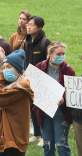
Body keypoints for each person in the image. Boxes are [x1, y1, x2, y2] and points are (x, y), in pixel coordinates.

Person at [0, 49, 34, 156]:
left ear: (18, 70)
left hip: (15, 141)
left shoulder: (20, 89)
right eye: (3, 68)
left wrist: (1, 80)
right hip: (3, 138)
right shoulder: (8, 88)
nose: (5, 70)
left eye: (9, 67)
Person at [33, 41, 75, 156]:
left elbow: (72, 92)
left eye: (63, 54)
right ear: (50, 53)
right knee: (47, 145)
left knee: (62, 145)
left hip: (61, 113)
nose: (61, 56)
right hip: (44, 112)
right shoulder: (40, 67)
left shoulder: (68, 70)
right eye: (58, 54)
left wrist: (63, 98)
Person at [23, 15, 51, 146]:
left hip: (42, 80)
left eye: (32, 25)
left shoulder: (45, 42)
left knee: (41, 108)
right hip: (29, 79)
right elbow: (26, 59)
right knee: (32, 107)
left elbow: (49, 62)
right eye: (28, 24)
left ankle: (45, 136)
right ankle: (37, 134)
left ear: (39, 27)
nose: (28, 26)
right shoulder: (27, 41)